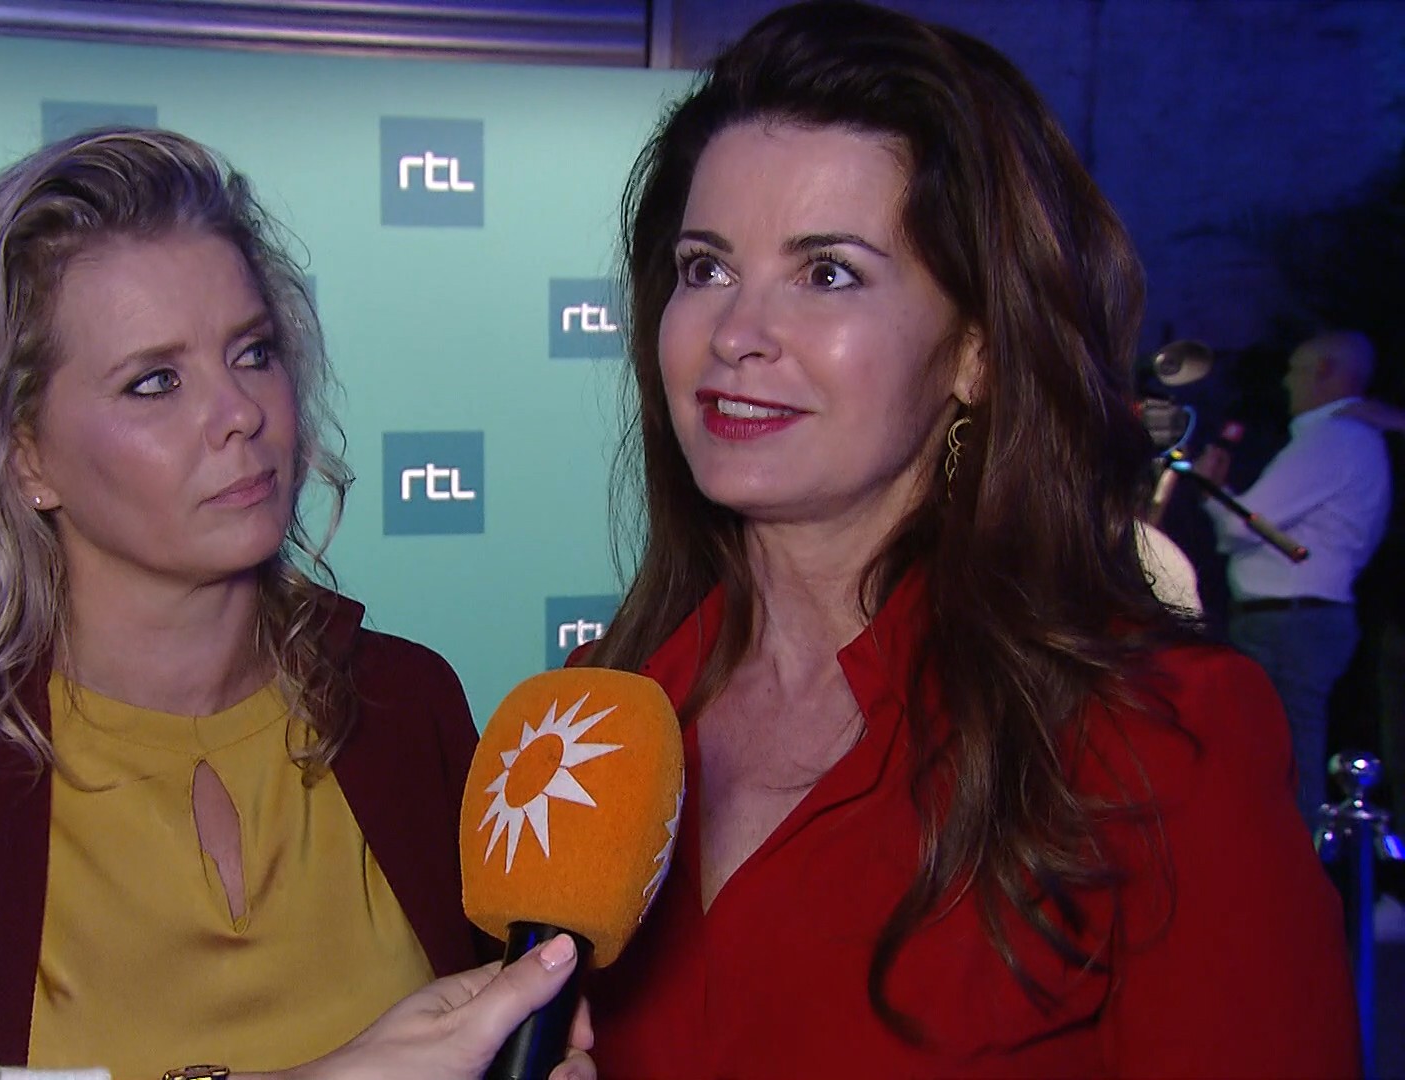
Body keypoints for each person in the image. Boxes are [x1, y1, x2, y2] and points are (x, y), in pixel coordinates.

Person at [0, 128, 594, 1080]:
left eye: (253, 353)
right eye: (155, 382)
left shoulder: (408, 704)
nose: (241, 414)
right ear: (25, 454)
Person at [569, 1, 1360, 1075]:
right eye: (705, 267)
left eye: (827, 273)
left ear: (977, 351)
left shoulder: (1153, 740)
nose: (737, 334)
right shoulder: (596, 716)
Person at [1193, 331, 1391, 821]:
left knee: (1283, 759)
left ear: (1326, 372)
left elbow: (1245, 525)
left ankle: (1296, 860)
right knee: (1286, 752)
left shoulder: (1333, 439)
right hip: (1306, 617)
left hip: (1289, 622)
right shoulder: (1353, 439)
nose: (1287, 382)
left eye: (1296, 370)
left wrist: (1211, 491)